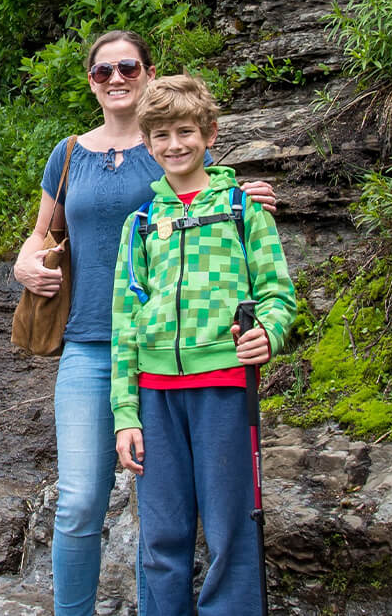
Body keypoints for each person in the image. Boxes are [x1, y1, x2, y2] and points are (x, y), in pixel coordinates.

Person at [12, 31, 275, 616]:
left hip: (167, 352)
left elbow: (203, 185)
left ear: (149, 72)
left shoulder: (168, 141)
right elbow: (41, 235)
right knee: (81, 500)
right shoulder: (69, 153)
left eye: (127, 66)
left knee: (160, 508)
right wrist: (26, 263)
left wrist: (243, 193)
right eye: (103, 71)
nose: (115, 78)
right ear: (91, 82)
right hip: (89, 345)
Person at [111, 74, 294, 616]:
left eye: (186, 131)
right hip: (155, 397)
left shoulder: (244, 209)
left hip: (224, 389)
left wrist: (269, 332)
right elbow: (124, 320)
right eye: (161, 135)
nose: (175, 144)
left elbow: (278, 294)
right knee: (162, 535)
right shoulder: (140, 223)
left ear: (209, 134)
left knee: (231, 529)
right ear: (147, 144)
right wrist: (125, 412)